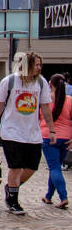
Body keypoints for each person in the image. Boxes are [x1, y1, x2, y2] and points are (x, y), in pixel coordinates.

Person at [0, 51, 55, 216]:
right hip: (11, 132)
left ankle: (11, 188)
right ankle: (13, 201)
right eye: (37, 64)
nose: (40, 68)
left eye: (40, 65)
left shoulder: (41, 83)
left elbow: (45, 107)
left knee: (31, 167)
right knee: (15, 167)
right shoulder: (9, 81)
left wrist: (51, 130)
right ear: (28, 65)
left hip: (32, 133)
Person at [40, 72, 72, 209]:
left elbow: (38, 117)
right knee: (56, 167)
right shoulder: (70, 100)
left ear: (50, 84)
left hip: (49, 136)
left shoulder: (46, 100)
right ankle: (48, 196)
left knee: (54, 168)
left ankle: (63, 197)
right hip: (66, 137)